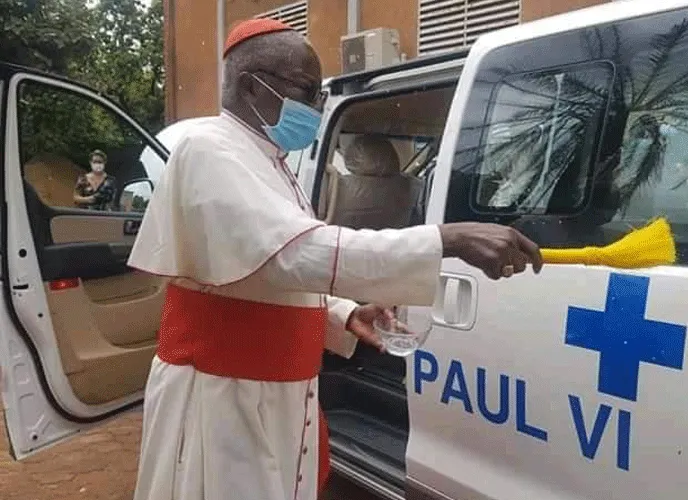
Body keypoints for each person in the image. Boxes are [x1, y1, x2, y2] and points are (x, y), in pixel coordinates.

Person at [128, 17, 543, 500]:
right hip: (223, 396)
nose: (315, 107)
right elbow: (297, 254)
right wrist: (445, 239)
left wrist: (343, 314)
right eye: (306, 91)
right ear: (250, 85)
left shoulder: (269, 160)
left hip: (275, 391)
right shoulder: (209, 148)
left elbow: (264, 272)